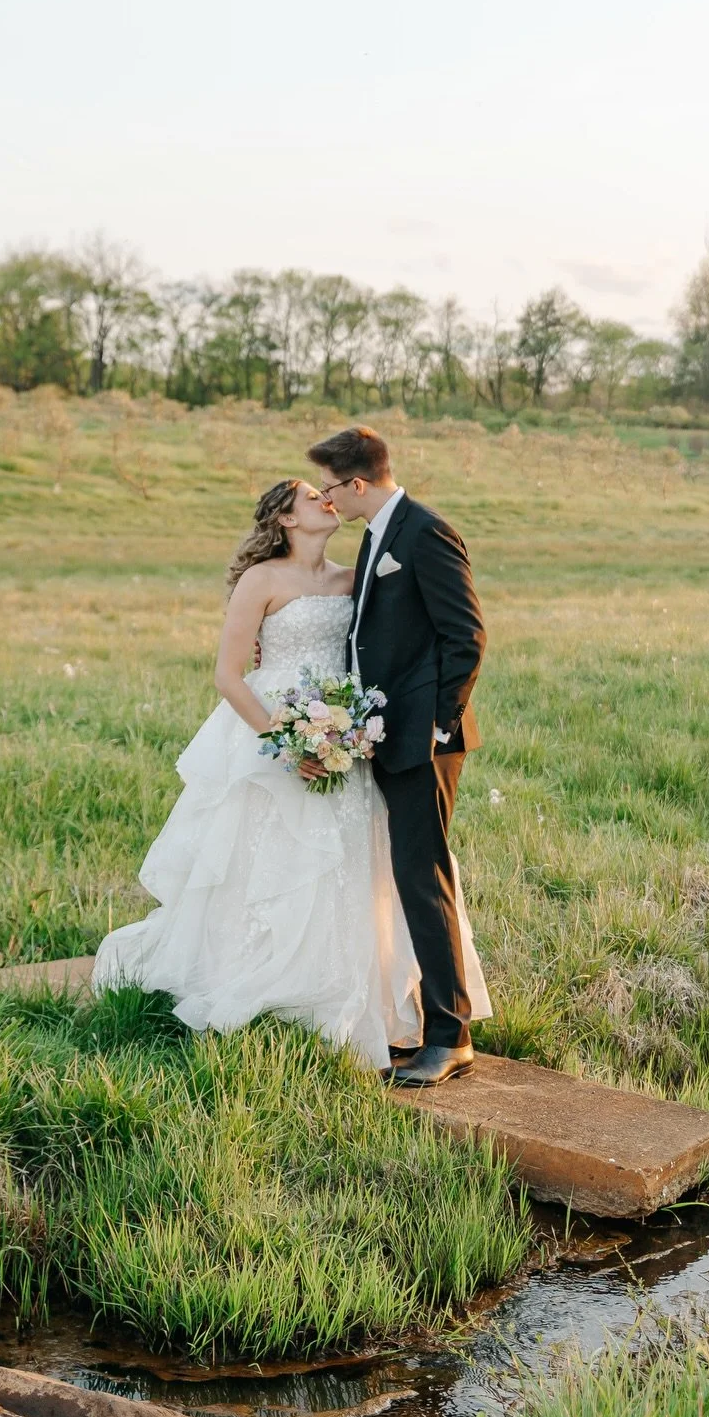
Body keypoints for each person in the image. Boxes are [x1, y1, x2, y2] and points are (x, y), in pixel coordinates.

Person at [92, 475, 490, 1072]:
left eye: (328, 490)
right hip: (276, 730)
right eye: (310, 496)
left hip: (348, 734)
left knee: (358, 861)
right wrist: (285, 743)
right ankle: (272, 987)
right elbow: (228, 675)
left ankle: (368, 1000)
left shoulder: (355, 576)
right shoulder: (262, 580)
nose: (326, 499)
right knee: (276, 862)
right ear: (284, 518)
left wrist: (351, 727)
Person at [306, 426, 486, 1088]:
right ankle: (418, 1017)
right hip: (385, 735)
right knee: (405, 876)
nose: (327, 499)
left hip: (424, 741)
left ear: (358, 483)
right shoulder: (374, 535)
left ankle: (450, 1037)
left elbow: (466, 635)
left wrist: (438, 725)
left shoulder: (425, 533)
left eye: (330, 487)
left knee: (422, 877)